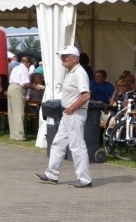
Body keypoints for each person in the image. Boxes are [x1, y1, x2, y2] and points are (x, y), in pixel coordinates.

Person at [36, 45, 92, 188]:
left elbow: (86, 95)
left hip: (74, 113)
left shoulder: (79, 73)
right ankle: (51, 174)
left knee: (77, 146)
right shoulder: (72, 72)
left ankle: (84, 179)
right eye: (62, 56)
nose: (62, 58)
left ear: (74, 59)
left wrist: (71, 108)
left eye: (65, 56)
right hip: (69, 113)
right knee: (58, 143)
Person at [7, 56, 39, 141]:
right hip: (18, 88)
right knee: (18, 112)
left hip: (10, 87)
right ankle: (19, 136)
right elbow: (25, 83)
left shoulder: (15, 68)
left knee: (12, 112)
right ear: (28, 63)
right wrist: (36, 88)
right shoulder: (24, 69)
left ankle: (13, 135)